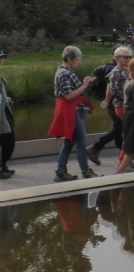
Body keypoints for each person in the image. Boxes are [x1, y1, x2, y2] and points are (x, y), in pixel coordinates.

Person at [48, 46, 102, 181]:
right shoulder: (64, 73)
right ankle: (86, 171)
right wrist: (83, 86)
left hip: (71, 110)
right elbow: (68, 96)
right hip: (70, 111)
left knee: (69, 142)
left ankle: (61, 172)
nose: (79, 62)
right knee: (81, 141)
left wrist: (85, 83)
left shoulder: (66, 71)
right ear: (69, 59)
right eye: (77, 60)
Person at [86, 46, 134, 169]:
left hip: (122, 103)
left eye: (130, 57)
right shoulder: (113, 69)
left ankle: (126, 158)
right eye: (125, 57)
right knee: (120, 130)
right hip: (118, 104)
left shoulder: (127, 68)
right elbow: (110, 89)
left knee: (120, 130)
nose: (128, 59)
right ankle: (96, 148)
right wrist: (107, 101)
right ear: (117, 57)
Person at [0, 73, 14, 179]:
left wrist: (6, 99)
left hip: (4, 113)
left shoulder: (2, 79)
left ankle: (3, 164)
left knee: (10, 139)